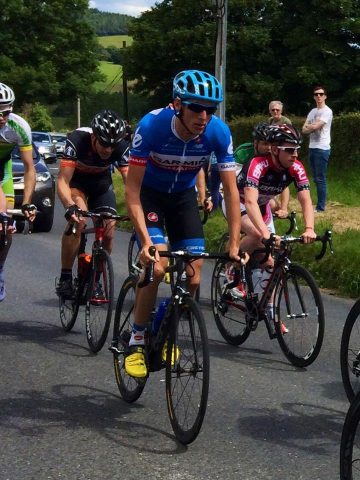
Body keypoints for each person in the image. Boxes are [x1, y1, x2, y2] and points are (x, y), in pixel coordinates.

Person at [124, 69, 241, 378]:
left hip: (182, 198)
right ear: (178, 104)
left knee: (194, 273)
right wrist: (145, 242)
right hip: (149, 196)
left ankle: (164, 324)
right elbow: (131, 190)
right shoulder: (152, 126)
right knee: (158, 267)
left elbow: (231, 190)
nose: (204, 116)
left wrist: (234, 242)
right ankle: (136, 338)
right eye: (196, 108)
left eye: (210, 109)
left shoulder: (218, 132)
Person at [236, 124, 316, 332]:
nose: (294, 154)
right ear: (274, 149)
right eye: (289, 150)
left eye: (297, 149)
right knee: (256, 235)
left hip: (262, 205)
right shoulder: (257, 164)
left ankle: (269, 308)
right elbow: (251, 202)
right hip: (240, 201)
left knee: (273, 262)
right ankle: (232, 268)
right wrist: (265, 234)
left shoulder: (296, 167)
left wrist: (309, 228)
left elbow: (306, 200)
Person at [56, 109, 129, 299]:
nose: (108, 149)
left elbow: (131, 184)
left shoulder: (121, 147)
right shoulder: (78, 140)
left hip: (101, 185)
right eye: (104, 144)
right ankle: (65, 278)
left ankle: (94, 280)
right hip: (77, 183)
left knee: (109, 231)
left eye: (112, 145)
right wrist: (69, 206)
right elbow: (63, 180)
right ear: (94, 136)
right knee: (79, 220)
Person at [0, 82, 36, 302]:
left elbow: (30, 167)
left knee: (5, 226)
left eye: (7, 111)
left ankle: (0, 268)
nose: (2, 117)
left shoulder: (19, 127)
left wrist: (28, 202)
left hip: (3, 172)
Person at [302, 85, 333, 212]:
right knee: (314, 178)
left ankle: (320, 207)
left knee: (320, 178)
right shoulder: (312, 112)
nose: (318, 96)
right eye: (316, 94)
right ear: (314, 97)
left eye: (321, 94)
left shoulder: (327, 111)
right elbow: (304, 129)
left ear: (325, 96)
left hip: (322, 148)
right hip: (312, 147)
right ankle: (316, 204)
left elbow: (314, 127)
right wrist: (312, 126)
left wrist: (311, 126)